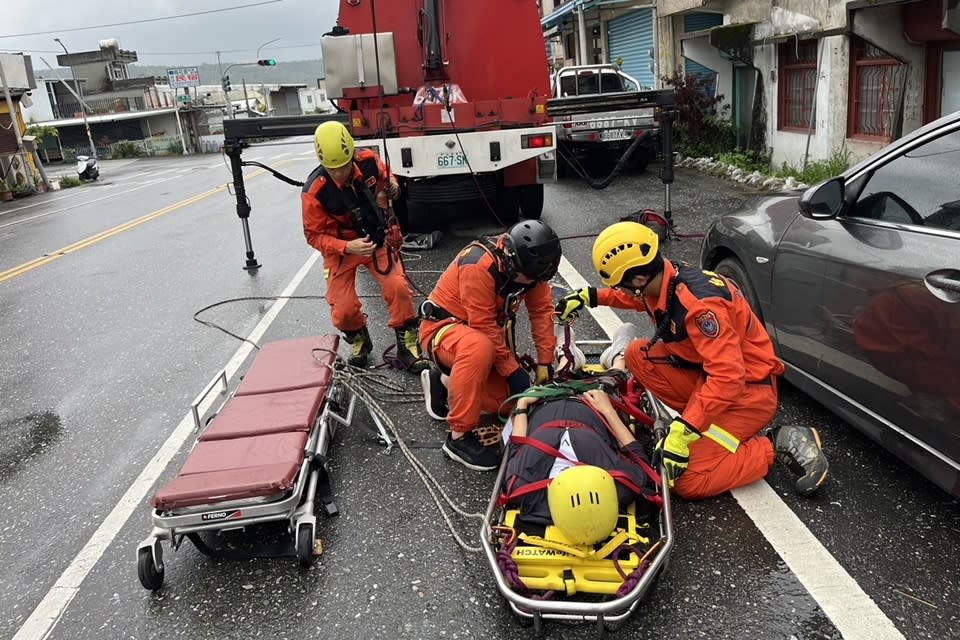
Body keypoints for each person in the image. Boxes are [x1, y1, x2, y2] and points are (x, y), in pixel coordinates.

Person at [554, 221, 830, 499]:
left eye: (620, 285)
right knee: (637, 355)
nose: (620, 291)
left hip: (747, 394)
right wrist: (591, 297)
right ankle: (708, 424)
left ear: (638, 280)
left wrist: (684, 431)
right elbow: (640, 300)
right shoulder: (665, 277)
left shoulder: (701, 307)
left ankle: (775, 443)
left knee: (686, 479)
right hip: (708, 377)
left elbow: (728, 378)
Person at [418, 220, 562, 471]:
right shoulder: (478, 265)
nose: (527, 284)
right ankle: (458, 439)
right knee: (479, 347)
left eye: (534, 280)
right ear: (509, 260)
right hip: (444, 333)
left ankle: (442, 381)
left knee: (504, 403)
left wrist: (545, 363)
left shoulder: (534, 271)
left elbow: (541, 313)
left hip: (480, 339)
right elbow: (483, 325)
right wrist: (512, 370)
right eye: (525, 278)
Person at [301, 121, 428, 372]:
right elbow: (313, 236)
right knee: (343, 308)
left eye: (344, 166)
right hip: (343, 248)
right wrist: (348, 246)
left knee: (398, 288)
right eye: (333, 169)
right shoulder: (315, 192)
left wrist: (392, 186)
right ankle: (359, 338)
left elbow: (385, 178)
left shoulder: (368, 160)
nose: (340, 174)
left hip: (376, 237)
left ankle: (408, 344)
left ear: (351, 154)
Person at [500, 388, 659, 540]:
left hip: (544, 403)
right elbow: (634, 452)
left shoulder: (523, 489)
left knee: (559, 374)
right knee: (609, 382)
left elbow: (516, 447)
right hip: (593, 408)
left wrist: (522, 404)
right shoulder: (619, 487)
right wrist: (608, 410)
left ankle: (566, 361)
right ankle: (615, 361)